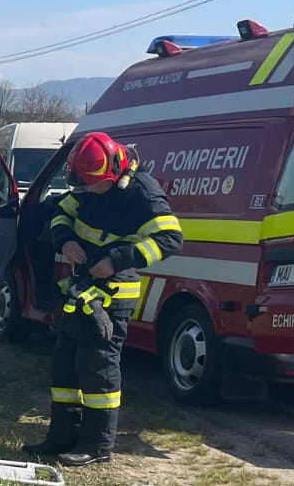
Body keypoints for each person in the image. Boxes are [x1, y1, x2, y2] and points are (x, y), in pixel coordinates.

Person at [23, 131, 183, 467]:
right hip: (80, 291)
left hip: (113, 296)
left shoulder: (143, 194)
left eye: (93, 185)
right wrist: (64, 241)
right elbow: (59, 214)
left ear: (115, 175)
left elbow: (170, 239)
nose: (87, 192)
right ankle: (62, 436)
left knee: (99, 374)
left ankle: (97, 445)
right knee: (64, 368)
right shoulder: (86, 187)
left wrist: (118, 260)